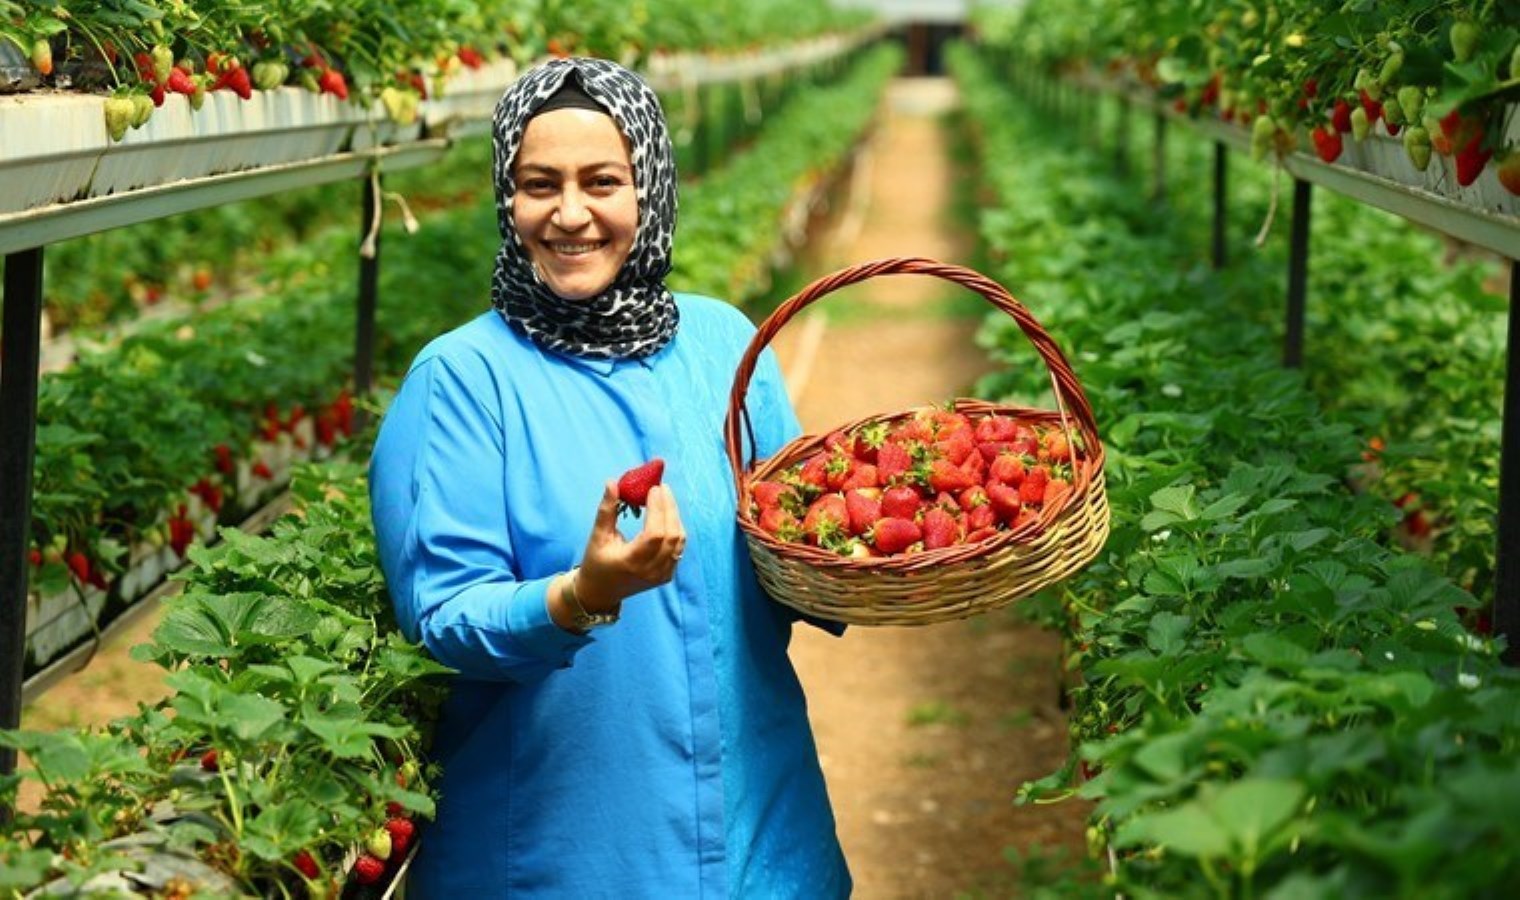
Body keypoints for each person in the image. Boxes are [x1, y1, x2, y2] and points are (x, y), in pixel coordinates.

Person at [368, 56, 852, 898]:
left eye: (602, 182)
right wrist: (579, 594)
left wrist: (891, 554)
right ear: (505, 196)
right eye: (537, 184)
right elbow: (441, 616)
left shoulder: (722, 344)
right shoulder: (463, 379)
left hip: (757, 837)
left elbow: (798, 544)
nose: (569, 214)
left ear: (650, 189)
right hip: (563, 851)